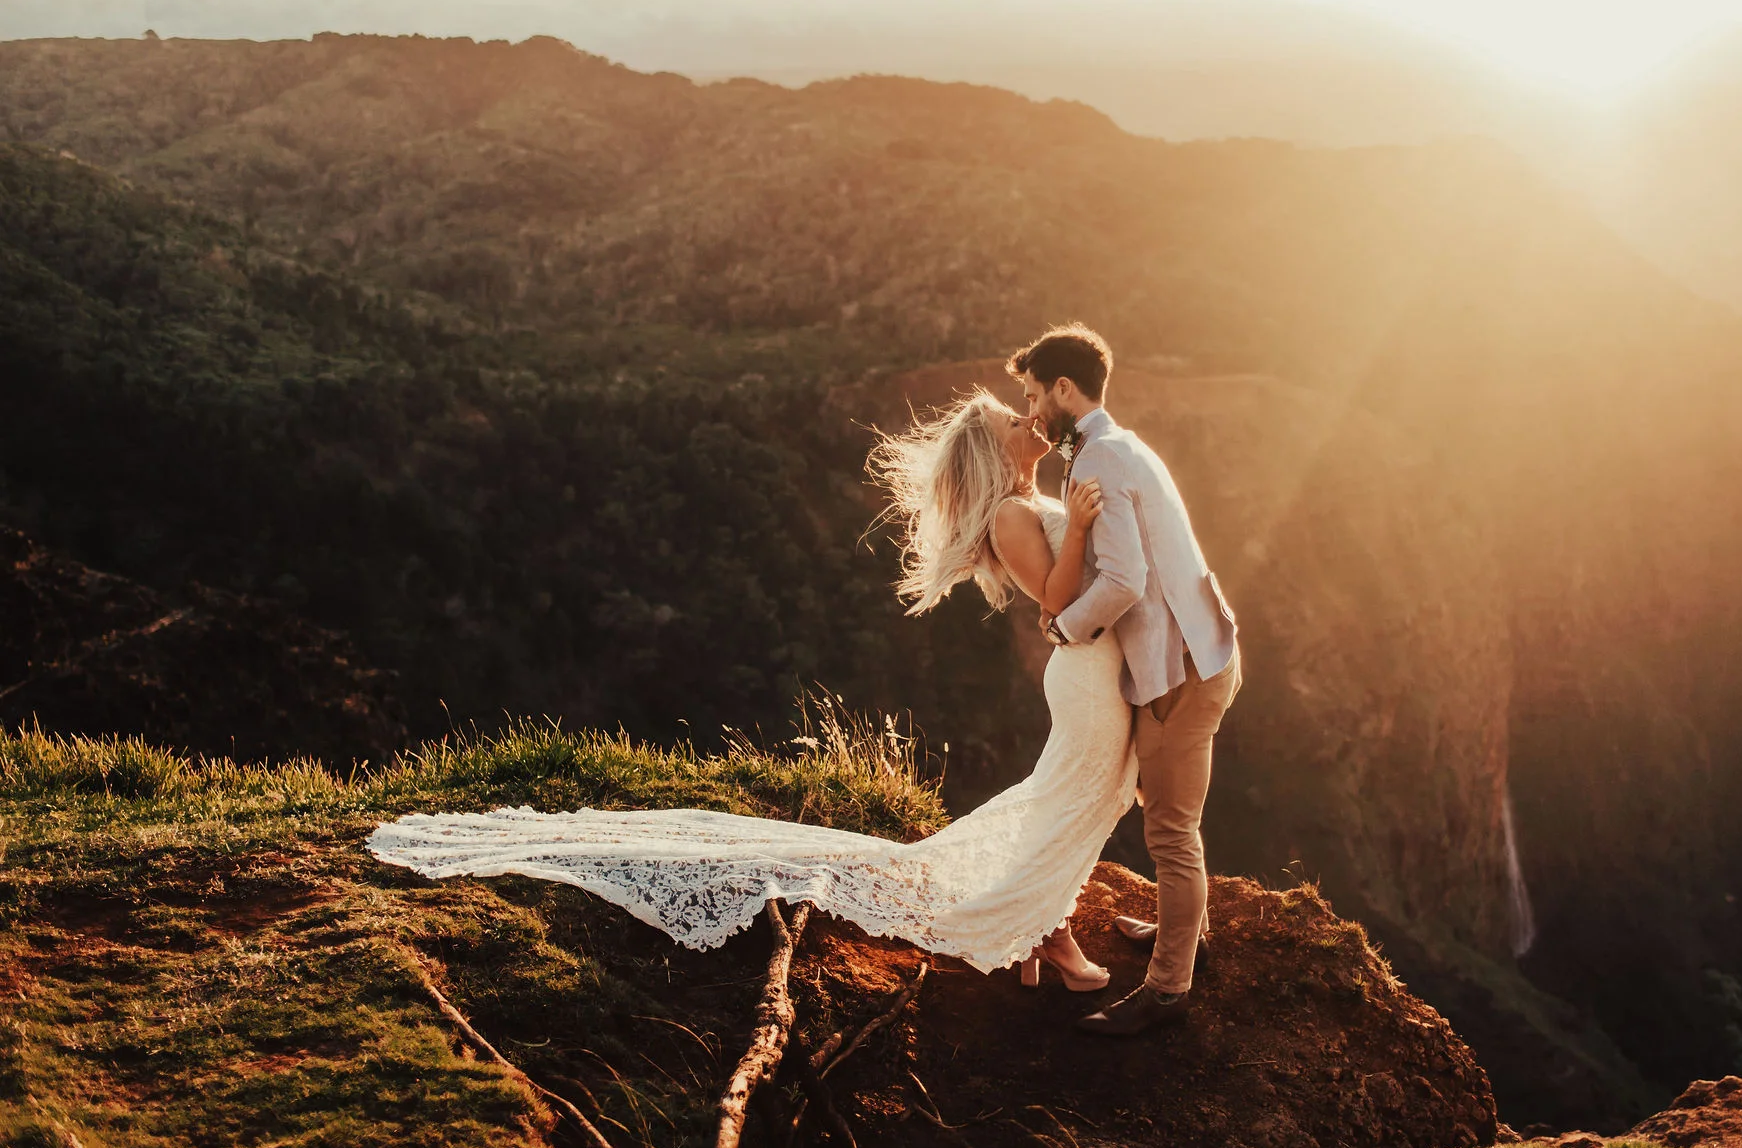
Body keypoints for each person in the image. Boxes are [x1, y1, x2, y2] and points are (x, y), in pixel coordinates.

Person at [366, 384, 1137, 992]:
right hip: (1082, 675)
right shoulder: (1011, 511)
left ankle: (1040, 937)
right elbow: (1059, 606)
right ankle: (1049, 935)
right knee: (1069, 797)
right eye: (1014, 416)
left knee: (1073, 797)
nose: (1029, 418)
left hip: (1096, 670)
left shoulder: (1035, 498)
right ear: (993, 451)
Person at [1007, 324, 1241, 1036]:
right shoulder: (1125, 445)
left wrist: (1062, 628)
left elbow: (1124, 579)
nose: (1032, 409)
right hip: (1203, 649)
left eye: (1034, 394)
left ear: (1065, 390)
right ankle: (1181, 927)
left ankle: (1168, 988)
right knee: (1165, 810)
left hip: (1181, 672)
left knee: (1171, 830)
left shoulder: (1094, 463)